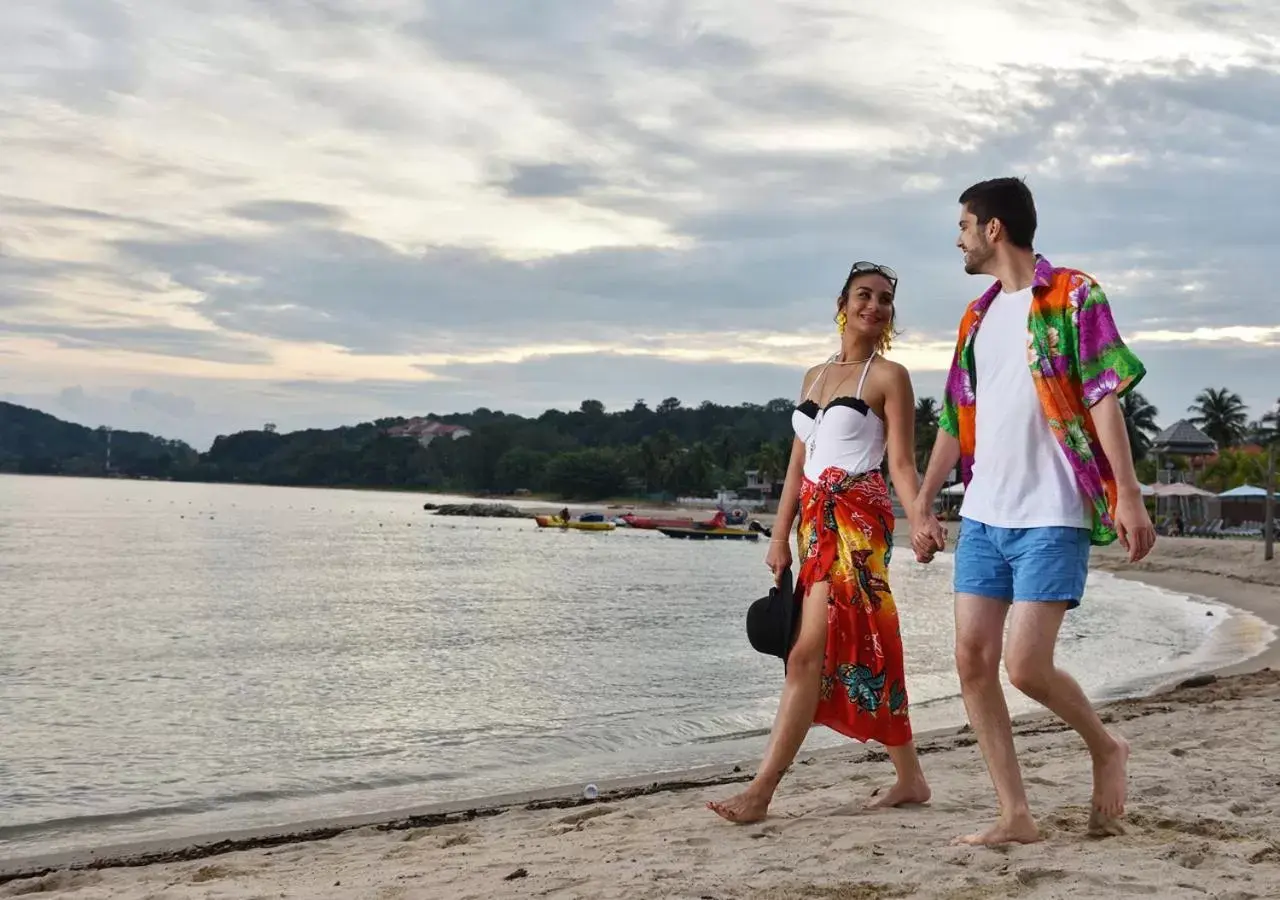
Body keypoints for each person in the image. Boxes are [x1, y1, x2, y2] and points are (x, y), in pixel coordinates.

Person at [911, 177, 1157, 846]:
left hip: (1053, 509)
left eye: (964, 225)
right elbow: (956, 417)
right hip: (984, 514)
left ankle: (1106, 747)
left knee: (1024, 666)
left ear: (994, 228)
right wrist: (926, 500)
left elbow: (1105, 392)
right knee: (971, 660)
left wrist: (1127, 492)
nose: (958, 238)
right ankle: (1015, 814)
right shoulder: (976, 316)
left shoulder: (1074, 295)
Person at [708, 261, 932, 823]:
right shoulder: (812, 376)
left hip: (858, 525)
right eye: (864, 295)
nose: (875, 307)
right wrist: (779, 534)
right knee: (872, 644)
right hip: (812, 527)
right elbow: (797, 463)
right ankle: (911, 778)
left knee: (807, 654)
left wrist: (921, 517)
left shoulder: (890, 377)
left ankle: (760, 791)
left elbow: (901, 463)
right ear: (843, 302)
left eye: (885, 300)